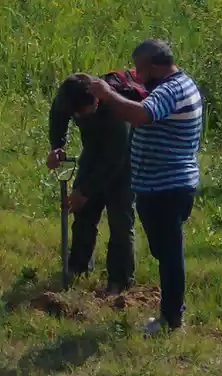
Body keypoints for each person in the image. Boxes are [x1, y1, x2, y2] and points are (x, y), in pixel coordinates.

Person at [90, 39, 204, 336]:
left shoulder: (170, 90)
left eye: (140, 70)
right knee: (164, 251)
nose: (138, 77)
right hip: (163, 185)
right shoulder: (182, 83)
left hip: (166, 187)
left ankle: (171, 317)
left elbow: (141, 114)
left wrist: (107, 94)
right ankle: (172, 311)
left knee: (169, 254)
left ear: (155, 66)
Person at [48, 72, 135, 294]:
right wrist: (57, 145)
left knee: (120, 221)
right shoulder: (70, 97)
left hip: (124, 158)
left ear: (97, 99)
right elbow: (58, 114)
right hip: (93, 151)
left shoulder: (116, 108)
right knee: (83, 214)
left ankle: (120, 280)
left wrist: (85, 191)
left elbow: (114, 160)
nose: (79, 118)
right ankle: (78, 268)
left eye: (84, 113)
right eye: (76, 114)